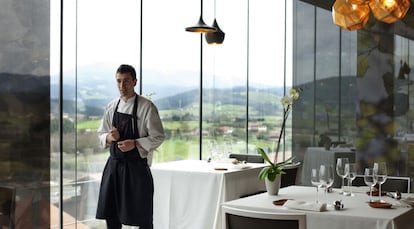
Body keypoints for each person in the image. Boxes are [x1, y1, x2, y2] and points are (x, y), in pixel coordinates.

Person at [96, 64, 165, 229]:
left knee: (143, 217)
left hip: (137, 169)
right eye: (118, 81)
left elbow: (158, 136)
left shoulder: (146, 107)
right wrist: (109, 137)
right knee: (112, 216)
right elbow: (101, 134)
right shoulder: (111, 107)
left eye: (126, 81)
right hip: (113, 168)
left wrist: (135, 143)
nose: (122, 86)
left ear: (135, 82)